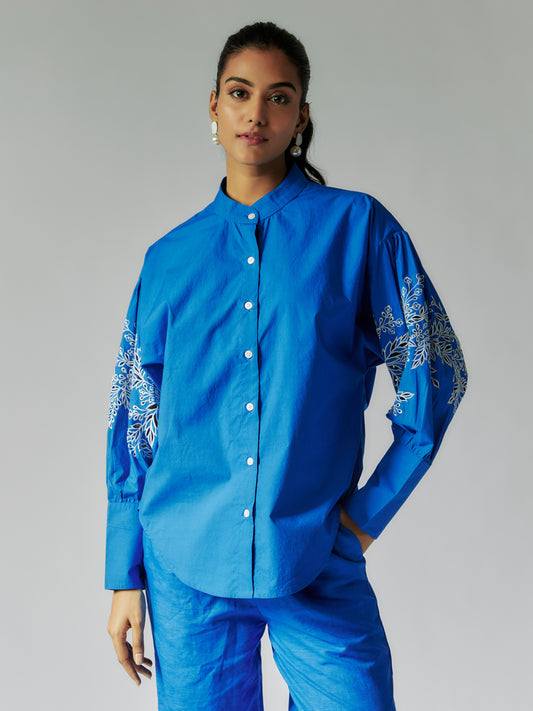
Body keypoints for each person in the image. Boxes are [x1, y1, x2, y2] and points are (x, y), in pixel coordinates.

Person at [105, 21, 467, 711]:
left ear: (301, 116)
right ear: (214, 107)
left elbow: (434, 375)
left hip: (311, 551)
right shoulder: (168, 259)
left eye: (279, 97)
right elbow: (135, 418)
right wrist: (124, 571)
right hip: (186, 564)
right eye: (240, 93)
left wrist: (361, 521)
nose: (256, 112)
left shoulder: (358, 228)